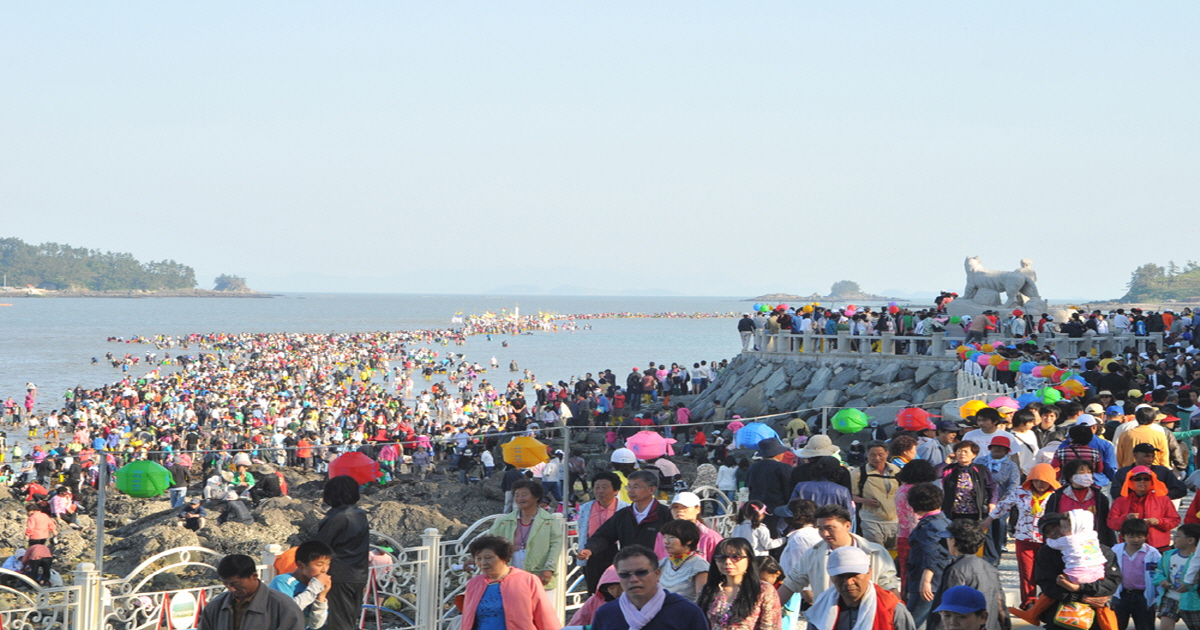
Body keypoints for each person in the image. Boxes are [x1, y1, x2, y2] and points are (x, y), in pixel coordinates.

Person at [1013, 511, 1120, 630]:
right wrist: (1081, 597)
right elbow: (1047, 584)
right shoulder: (1047, 552)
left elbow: (1112, 581)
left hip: (1096, 614)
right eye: (1047, 531)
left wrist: (1086, 591)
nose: (1054, 532)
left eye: (1055, 526)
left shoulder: (1100, 550)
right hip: (1059, 616)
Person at [777, 504, 900, 607]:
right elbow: (792, 583)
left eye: (830, 528)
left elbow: (889, 585)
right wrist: (769, 612)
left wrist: (899, 613)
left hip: (868, 612)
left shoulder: (875, 552)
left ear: (847, 525)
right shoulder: (812, 554)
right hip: (828, 615)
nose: (824, 534)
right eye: (820, 529)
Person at [578, 470, 675, 586]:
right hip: (630, 570)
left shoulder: (665, 514)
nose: (631, 491)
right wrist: (590, 549)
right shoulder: (623, 514)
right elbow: (604, 535)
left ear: (652, 490)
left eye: (636, 486)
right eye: (629, 487)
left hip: (658, 569)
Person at [590, 545, 710, 630]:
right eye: (625, 574)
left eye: (641, 572)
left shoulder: (686, 612)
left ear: (657, 573)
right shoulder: (606, 614)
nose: (634, 579)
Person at [459, 535, 561, 630]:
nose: (483, 563)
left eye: (488, 558)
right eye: (478, 558)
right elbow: (467, 620)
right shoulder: (474, 583)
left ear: (503, 558)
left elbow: (545, 616)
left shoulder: (527, 580)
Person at [804, 546, 915, 630]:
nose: (848, 582)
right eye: (840, 576)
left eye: (854, 575)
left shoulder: (891, 608)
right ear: (831, 577)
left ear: (869, 573)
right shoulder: (820, 609)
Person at [312, 475, 370, 630]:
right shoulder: (360, 514)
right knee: (349, 619)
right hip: (358, 573)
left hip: (338, 575)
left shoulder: (337, 517)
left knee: (339, 622)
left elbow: (319, 546)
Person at [487, 479, 563, 591]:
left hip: (538, 569)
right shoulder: (504, 521)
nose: (519, 498)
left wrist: (549, 568)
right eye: (517, 495)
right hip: (510, 566)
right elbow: (488, 542)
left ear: (536, 497)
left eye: (524, 495)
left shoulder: (549, 521)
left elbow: (556, 545)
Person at [930, 521, 1007, 630]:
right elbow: (1000, 604)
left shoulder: (956, 570)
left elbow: (949, 606)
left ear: (953, 541)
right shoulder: (990, 568)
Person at [199, 553, 305, 630]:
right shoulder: (216, 605)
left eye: (236, 584)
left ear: (254, 576)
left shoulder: (283, 606)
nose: (231, 589)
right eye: (226, 584)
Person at [696, 537, 781, 630]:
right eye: (721, 557)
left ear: (749, 559)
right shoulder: (709, 590)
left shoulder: (763, 590)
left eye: (735, 557)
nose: (727, 562)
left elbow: (771, 626)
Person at [1011, 463, 1060, 608]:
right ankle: (1029, 602)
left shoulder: (1056, 495)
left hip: (1048, 540)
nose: (1039, 484)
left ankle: (1049, 600)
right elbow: (1003, 506)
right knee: (1027, 572)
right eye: (1036, 480)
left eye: (1043, 481)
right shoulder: (1020, 492)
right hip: (1024, 538)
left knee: (1049, 572)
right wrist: (987, 521)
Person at [905, 483, 951, 630]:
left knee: (913, 621)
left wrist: (925, 581)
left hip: (926, 582)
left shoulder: (928, 526)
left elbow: (930, 553)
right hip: (941, 580)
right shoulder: (945, 521)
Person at [1044, 460, 1117, 547]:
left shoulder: (1100, 498)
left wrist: (1110, 544)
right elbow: (1049, 522)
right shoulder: (1057, 497)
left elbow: (1105, 524)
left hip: (1092, 545)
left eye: (1089, 472)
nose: (1086, 475)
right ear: (1071, 477)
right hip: (1064, 543)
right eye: (1082, 472)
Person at [1106, 466, 1179, 550]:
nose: (1142, 481)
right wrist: (1126, 518)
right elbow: (1111, 523)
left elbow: (1175, 520)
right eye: (1137, 479)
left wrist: (1159, 521)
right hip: (1129, 548)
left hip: (1158, 547)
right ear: (1130, 481)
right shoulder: (1121, 501)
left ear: (1152, 481)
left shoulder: (1164, 499)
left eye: (1146, 478)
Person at [580, 472, 631, 592]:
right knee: (594, 590)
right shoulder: (586, 508)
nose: (600, 491)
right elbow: (582, 531)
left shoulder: (625, 509)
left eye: (605, 487)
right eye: (597, 487)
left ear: (616, 490)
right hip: (591, 553)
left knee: (616, 590)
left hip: (616, 553)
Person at [976, 436, 1020, 567]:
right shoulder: (980, 461)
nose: (997, 450)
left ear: (1007, 451)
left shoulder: (1011, 466)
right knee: (982, 531)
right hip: (980, 503)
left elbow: (1013, 486)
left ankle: (994, 558)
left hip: (1001, 503)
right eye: (995, 447)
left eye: (1001, 448)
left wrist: (1002, 503)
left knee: (998, 530)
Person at [270, 539, 333, 630]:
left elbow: (315, 624)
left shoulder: (314, 585)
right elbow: (288, 612)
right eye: (319, 565)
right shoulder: (282, 582)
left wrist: (321, 596)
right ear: (300, 565)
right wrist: (314, 588)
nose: (324, 569)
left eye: (327, 564)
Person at [850, 442, 900, 553]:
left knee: (895, 553)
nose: (877, 458)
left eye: (881, 454)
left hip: (895, 519)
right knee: (876, 553)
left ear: (887, 454)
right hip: (871, 519)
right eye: (872, 455)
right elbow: (850, 495)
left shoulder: (896, 471)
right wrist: (864, 501)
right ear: (867, 454)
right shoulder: (859, 473)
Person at [1110, 519, 1160, 630]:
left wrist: (1158, 598)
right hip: (1122, 595)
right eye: (1131, 536)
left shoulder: (1152, 553)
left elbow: (1159, 575)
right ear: (1123, 536)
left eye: (1139, 536)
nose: (1135, 540)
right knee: (1116, 626)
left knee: (1145, 626)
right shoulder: (1115, 550)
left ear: (1146, 536)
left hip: (1143, 597)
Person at [935, 442, 997, 524]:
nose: (962, 454)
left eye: (966, 451)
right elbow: (936, 474)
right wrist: (946, 463)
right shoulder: (949, 469)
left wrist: (992, 502)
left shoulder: (981, 469)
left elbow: (992, 486)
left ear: (974, 455)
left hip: (974, 512)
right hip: (952, 512)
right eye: (959, 451)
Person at [1110, 443, 1187, 501]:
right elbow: (1115, 493)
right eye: (1146, 456)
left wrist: (1162, 497)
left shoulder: (1162, 471)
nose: (1150, 460)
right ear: (1135, 455)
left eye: (1152, 456)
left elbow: (1180, 489)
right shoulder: (1124, 472)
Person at [657, 519, 709, 602]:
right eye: (664, 537)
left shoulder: (699, 565)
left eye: (671, 537)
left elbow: (702, 598)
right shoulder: (663, 563)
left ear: (689, 541)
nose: (666, 541)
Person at [669, 491, 723, 561]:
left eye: (685, 506)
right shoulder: (663, 536)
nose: (680, 510)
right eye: (675, 507)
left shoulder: (710, 537)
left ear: (698, 509)